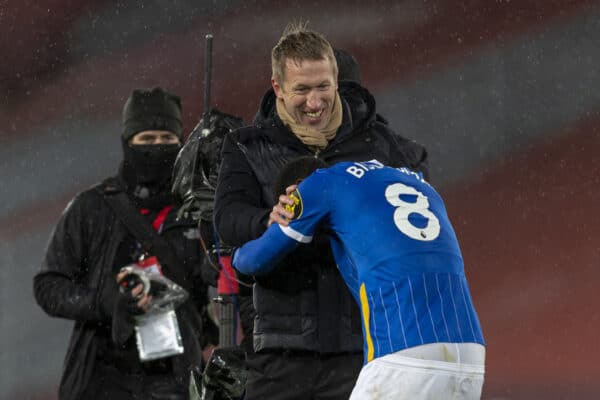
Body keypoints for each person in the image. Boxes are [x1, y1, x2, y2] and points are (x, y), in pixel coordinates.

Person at [213, 22, 429, 400]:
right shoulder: (246, 146)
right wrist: (268, 220)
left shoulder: (383, 146)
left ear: (336, 80)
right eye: (302, 90)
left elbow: (420, 208)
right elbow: (227, 220)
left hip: (364, 348)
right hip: (279, 351)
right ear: (277, 88)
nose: (315, 103)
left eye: (323, 87)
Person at [233, 157, 486, 399]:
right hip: (471, 355)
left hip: (402, 353)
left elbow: (252, 260)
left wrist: (241, 246)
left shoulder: (321, 183)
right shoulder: (420, 183)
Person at [34, 87, 217, 400]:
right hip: (100, 378)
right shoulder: (91, 207)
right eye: (146, 140)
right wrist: (105, 303)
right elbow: (48, 287)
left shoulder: (198, 211)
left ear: (181, 143)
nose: (156, 148)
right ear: (126, 143)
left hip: (174, 380)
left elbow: (224, 277)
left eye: (166, 140)